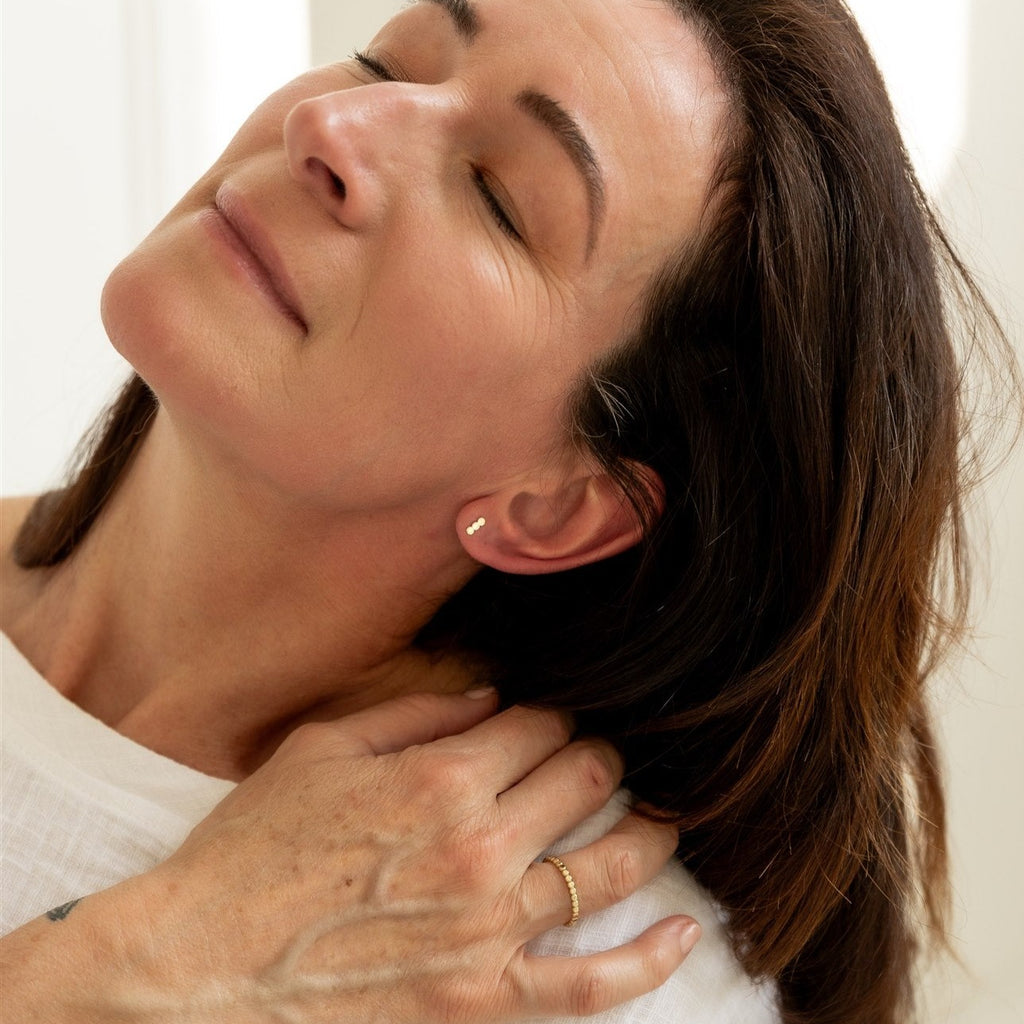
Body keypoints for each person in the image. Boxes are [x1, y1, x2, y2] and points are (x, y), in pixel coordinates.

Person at [0, 0, 1009, 1021]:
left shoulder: (556, 968)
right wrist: (149, 958)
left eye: (494, 195)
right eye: (383, 61)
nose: (333, 129)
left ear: (562, 505)